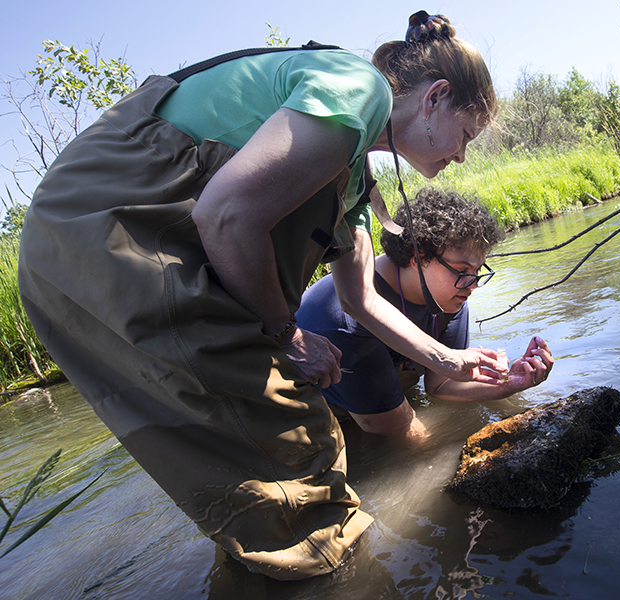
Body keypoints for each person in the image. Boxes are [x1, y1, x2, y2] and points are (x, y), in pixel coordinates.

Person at [17, 11, 507, 580]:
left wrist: (451, 359)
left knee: (256, 488)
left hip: (86, 252)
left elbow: (361, 301)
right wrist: (291, 335)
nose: (462, 155)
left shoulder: (348, 178)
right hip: (111, 236)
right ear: (435, 97)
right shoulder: (356, 88)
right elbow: (226, 217)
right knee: (302, 463)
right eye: (466, 134)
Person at [296, 188, 554, 440]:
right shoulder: (347, 319)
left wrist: (508, 384)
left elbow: (440, 385)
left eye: (478, 272)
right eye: (463, 270)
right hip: (312, 420)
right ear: (418, 258)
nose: (473, 284)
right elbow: (403, 432)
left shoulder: (447, 298)